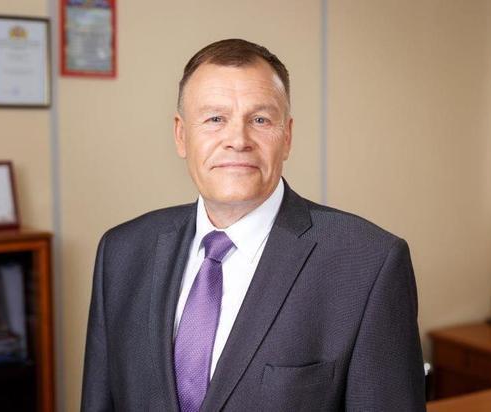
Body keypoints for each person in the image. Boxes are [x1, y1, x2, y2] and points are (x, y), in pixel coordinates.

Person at [81, 39, 425, 411]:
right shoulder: (122, 253)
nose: (238, 140)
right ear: (181, 135)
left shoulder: (368, 264)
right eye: (215, 119)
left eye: (260, 120)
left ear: (287, 136)